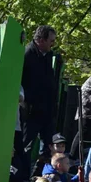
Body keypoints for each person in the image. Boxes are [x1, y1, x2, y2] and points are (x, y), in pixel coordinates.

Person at [20, 25, 58, 162]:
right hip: (32, 110)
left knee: (48, 147)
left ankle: (41, 175)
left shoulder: (48, 55)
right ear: (41, 40)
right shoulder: (27, 55)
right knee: (25, 145)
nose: (53, 44)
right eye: (51, 40)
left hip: (46, 110)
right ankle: (20, 174)